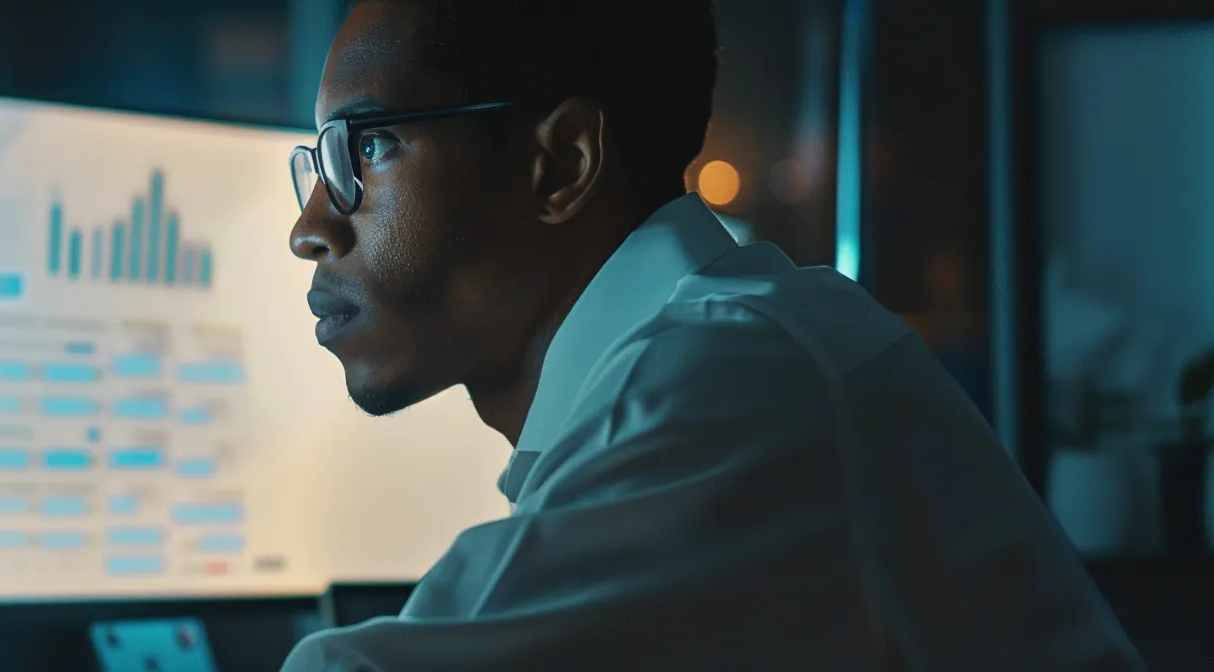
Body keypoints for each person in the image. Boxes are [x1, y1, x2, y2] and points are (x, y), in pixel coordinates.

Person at [281, 1, 1144, 670]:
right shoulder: (721, 357)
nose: (310, 227)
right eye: (314, 165)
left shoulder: (736, 379)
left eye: (367, 148)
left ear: (564, 165)